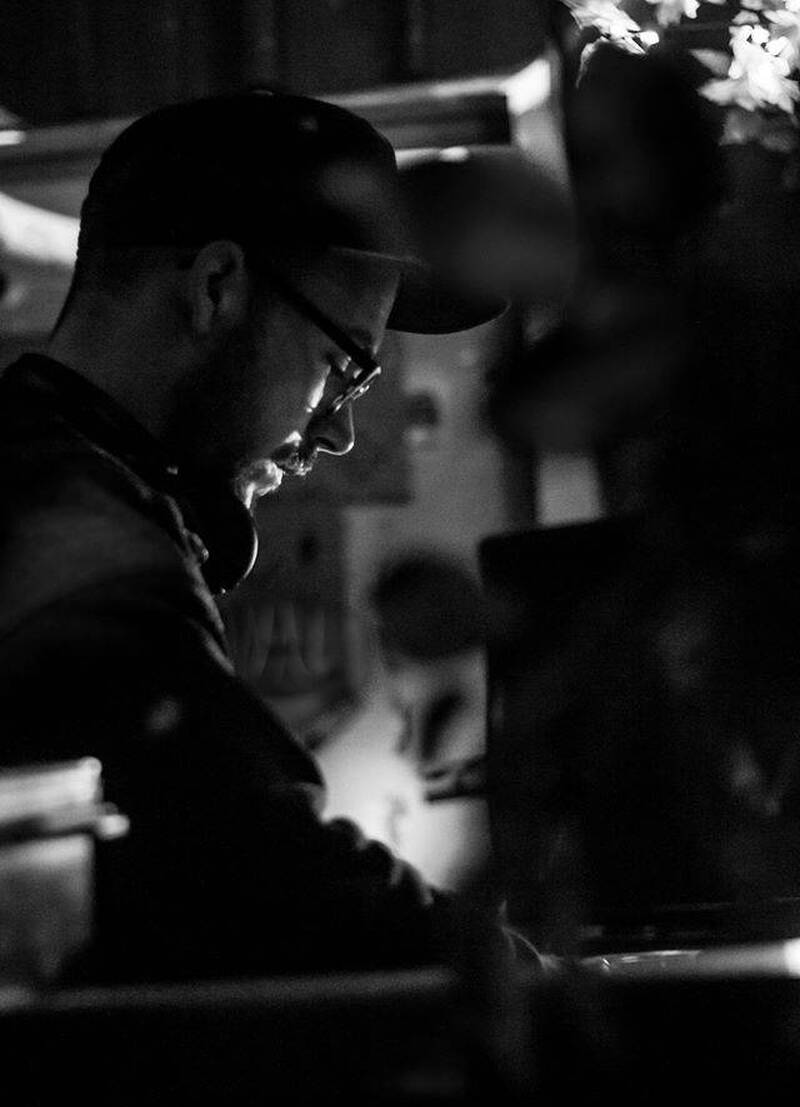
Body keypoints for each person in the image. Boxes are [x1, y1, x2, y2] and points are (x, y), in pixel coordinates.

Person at [0, 91, 505, 983]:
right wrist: (537, 989)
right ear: (217, 288)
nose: (340, 432)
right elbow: (265, 877)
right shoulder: (69, 520)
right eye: (342, 366)